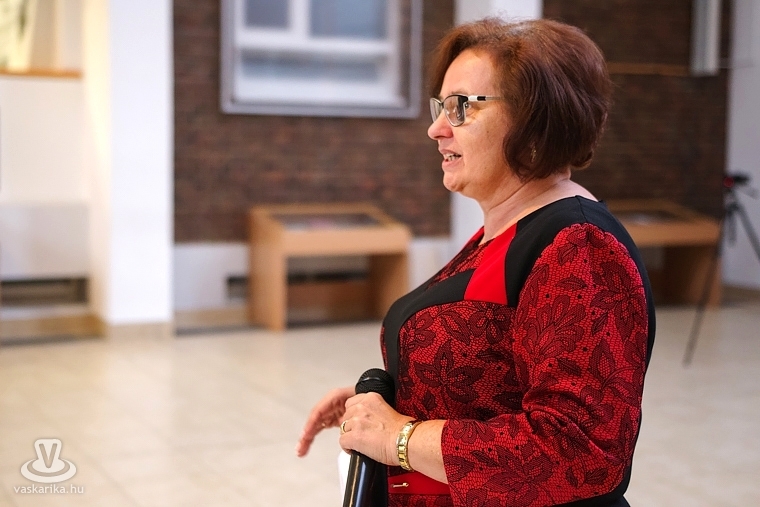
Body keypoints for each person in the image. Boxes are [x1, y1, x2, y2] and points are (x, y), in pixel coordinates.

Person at [296, 17, 655, 507]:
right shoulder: (509, 229)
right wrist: (393, 403)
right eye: (440, 107)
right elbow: (491, 373)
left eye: (461, 107)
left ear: (535, 120)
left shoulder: (580, 246)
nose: (436, 128)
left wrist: (400, 436)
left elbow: (580, 450)